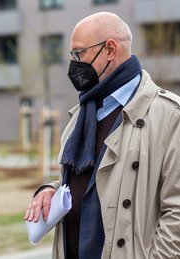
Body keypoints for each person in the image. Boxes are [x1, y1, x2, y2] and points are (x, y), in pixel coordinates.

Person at [25, 11, 180, 259]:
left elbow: (177, 211)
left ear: (110, 49)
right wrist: (51, 190)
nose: (74, 63)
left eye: (79, 53)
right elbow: (85, 181)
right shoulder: (82, 113)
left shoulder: (169, 115)